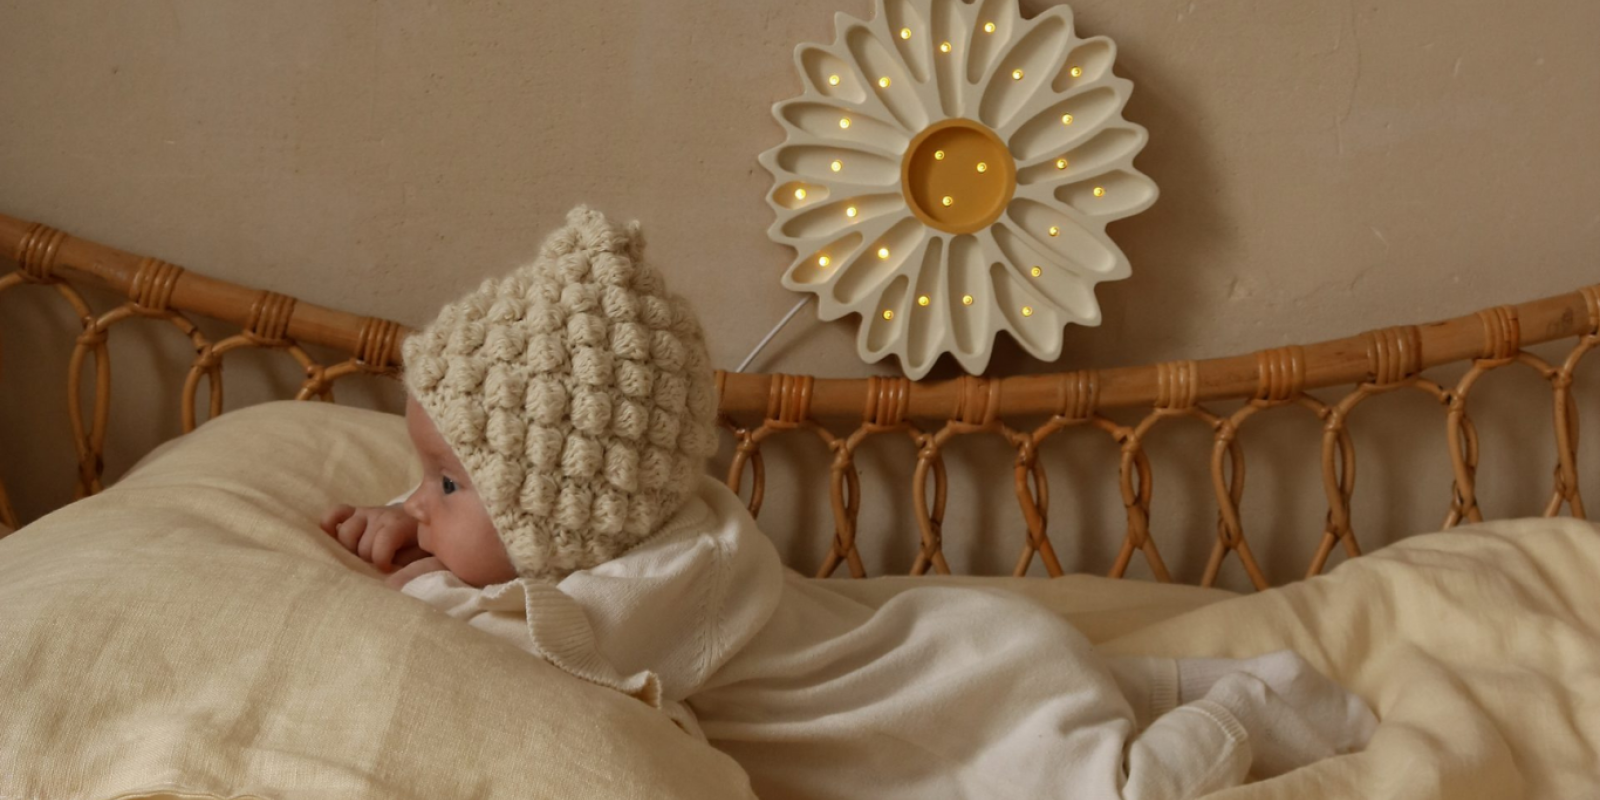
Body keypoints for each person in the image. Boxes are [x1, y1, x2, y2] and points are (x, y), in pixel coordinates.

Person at [321, 206, 1377, 800]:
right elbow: (494, 558)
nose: (419, 504)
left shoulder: (655, 586)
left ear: (566, 513)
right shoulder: (643, 525)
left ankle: (1236, 713)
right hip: (968, 649)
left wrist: (422, 573)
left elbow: (510, 646)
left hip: (942, 701)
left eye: (446, 483)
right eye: (423, 475)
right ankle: (1213, 681)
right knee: (1082, 683)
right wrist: (420, 513)